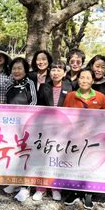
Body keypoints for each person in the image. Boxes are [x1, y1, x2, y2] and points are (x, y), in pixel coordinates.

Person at [62, 69, 105, 209]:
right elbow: (65, 115)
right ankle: (73, 192)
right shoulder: (71, 96)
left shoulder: (100, 97)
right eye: (81, 78)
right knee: (74, 163)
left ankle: (87, 193)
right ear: (78, 80)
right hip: (75, 138)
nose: (84, 80)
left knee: (90, 164)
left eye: (87, 78)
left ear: (92, 81)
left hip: (93, 138)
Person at [34, 60, 73, 201]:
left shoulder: (70, 86)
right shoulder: (44, 87)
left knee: (57, 158)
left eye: (59, 70)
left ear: (64, 73)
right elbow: (38, 107)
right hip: (46, 127)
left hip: (63, 128)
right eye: (53, 70)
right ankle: (41, 188)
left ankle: (56, 188)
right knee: (43, 157)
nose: (55, 72)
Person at [3, 57, 37, 201]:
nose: (16, 71)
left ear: (25, 70)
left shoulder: (30, 84)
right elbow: (5, 105)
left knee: (26, 156)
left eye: (19, 68)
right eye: (14, 68)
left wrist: (24, 120)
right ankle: (14, 182)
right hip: (11, 127)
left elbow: (34, 103)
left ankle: (25, 187)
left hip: (27, 127)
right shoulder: (9, 86)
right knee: (13, 155)